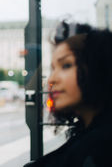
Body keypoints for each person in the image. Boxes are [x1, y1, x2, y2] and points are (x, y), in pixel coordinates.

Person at [25, 21, 112, 166]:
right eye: (53, 68)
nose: (52, 79)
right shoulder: (87, 129)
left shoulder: (102, 147)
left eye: (66, 65)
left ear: (98, 68)